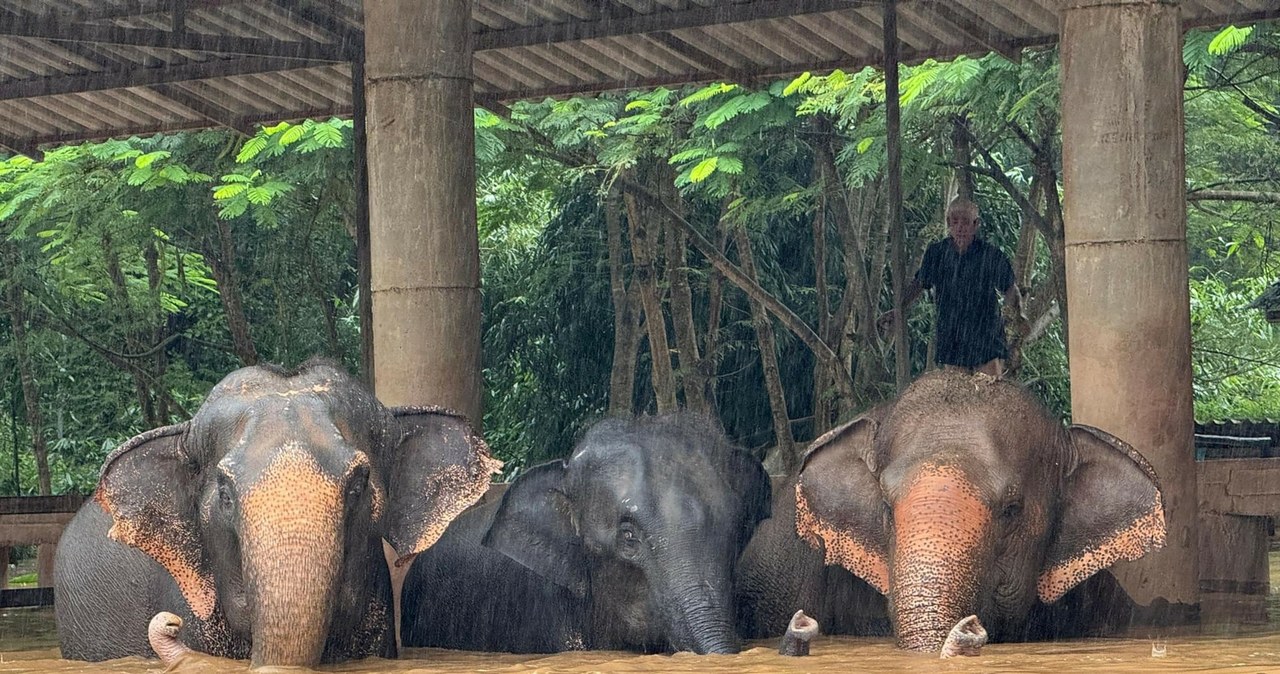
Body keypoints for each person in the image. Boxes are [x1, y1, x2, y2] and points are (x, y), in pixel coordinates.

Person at [879, 198, 1025, 378]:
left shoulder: (991, 255)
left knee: (990, 394)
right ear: (948, 223)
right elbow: (919, 283)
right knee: (956, 397)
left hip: (986, 335)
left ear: (975, 224)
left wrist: (1014, 317)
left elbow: (1010, 288)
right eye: (954, 222)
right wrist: (898, 309)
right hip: (952, 335)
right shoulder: (937, 253)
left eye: (965, 222)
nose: (960, 228)